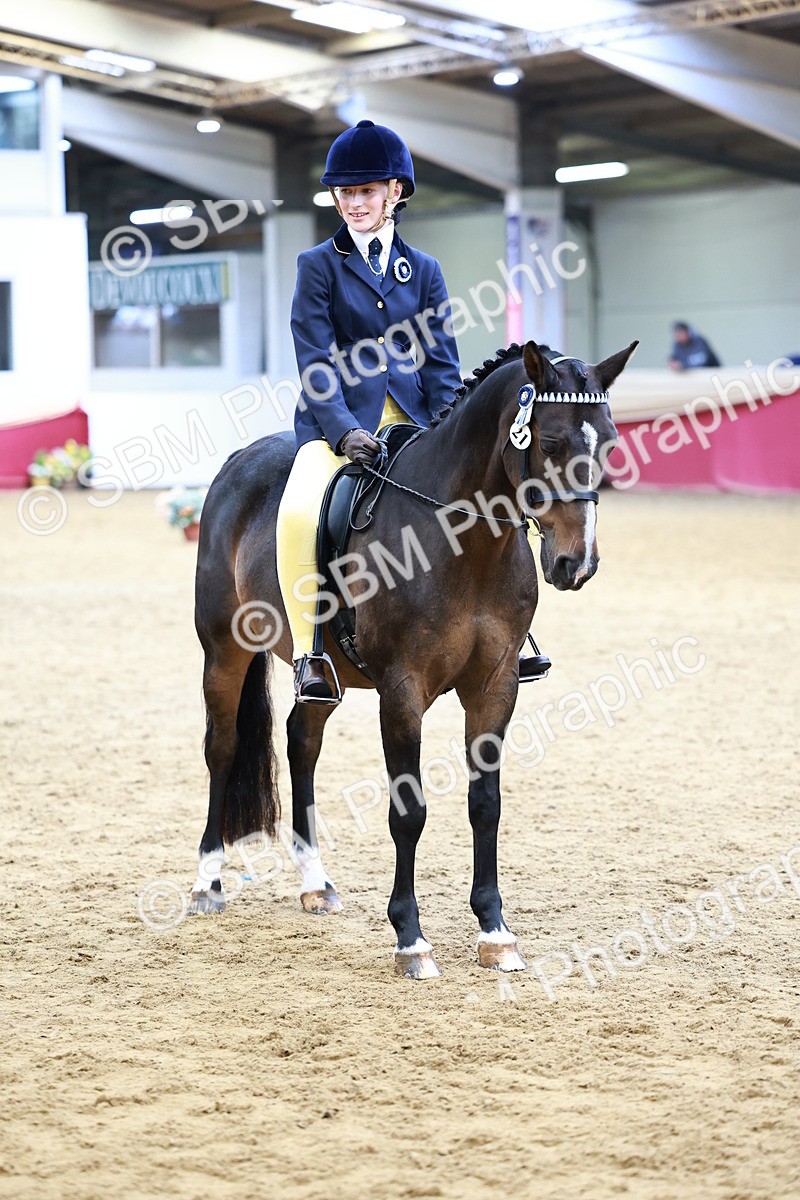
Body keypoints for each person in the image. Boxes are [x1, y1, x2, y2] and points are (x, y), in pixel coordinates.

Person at [276, 119, 549, 704]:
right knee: (301, 511)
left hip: (418, 426)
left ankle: (509, 634)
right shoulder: (317, 266)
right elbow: (315, 360)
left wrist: (449, 426)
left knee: (487, 497)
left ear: (395, 192)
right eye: (345, 194)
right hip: (339, 426)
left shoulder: (423, 270)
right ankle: (310, 652)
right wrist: (343, 430)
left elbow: (443, 364)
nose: (353, 204)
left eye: (366, 192)